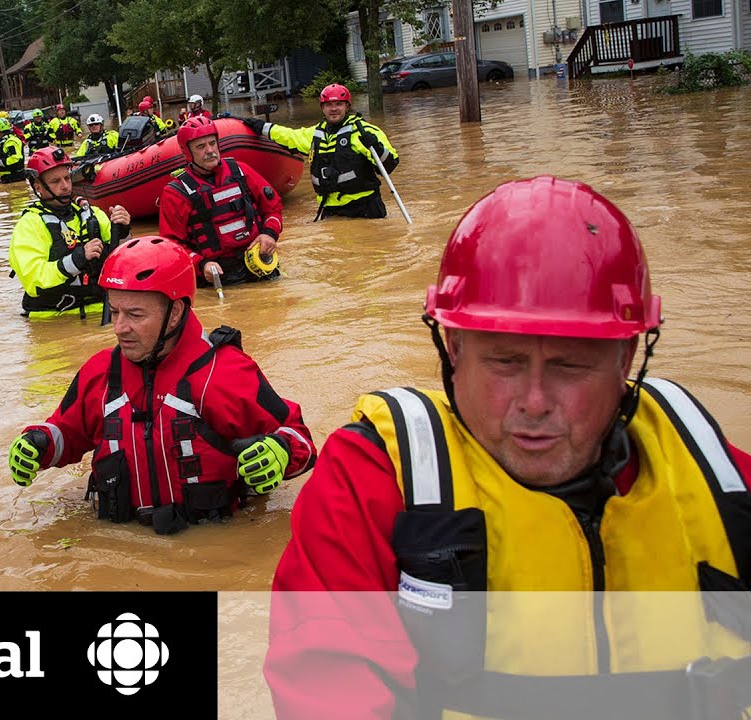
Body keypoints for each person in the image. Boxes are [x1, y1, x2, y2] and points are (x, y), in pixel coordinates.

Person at [266, 176, 751, 718]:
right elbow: (327, 683)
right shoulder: (375, 478)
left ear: (626, 358)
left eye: (570, 365)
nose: (536, 401)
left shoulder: (715, 476)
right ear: (453, 348)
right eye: (505, 362)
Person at [7, 236, 317, 535]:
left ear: (175, 314)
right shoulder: (99, 372)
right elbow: (68, 432)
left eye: (135, 315)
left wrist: (281, 451)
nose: (119, 328)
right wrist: (41, 443)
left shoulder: (224, 372)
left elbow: (298, 436)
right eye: (114, 312)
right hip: (119, 545)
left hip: (210, 544)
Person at [159, 115, 285, 288]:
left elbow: (273, 208)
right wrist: (201, 265)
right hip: (215, 276)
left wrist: (269, 234)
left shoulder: (240, 171)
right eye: (201, 147)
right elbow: (171, 246)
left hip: (259, 263)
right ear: (187, 153)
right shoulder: (176, 193)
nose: (210, 150)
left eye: (212, 143)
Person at [7, 146, 130, 319]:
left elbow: (124, 261)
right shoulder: (30, 225)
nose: (65, 186)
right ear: (38, 188)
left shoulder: (92, 214)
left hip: (102, 312)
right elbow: (34, 281)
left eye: (67, 178)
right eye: (55, 181)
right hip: (54, 319)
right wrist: (77, 259)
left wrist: (123, 231)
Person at [244, 84, 398, 219]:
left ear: (347, 106)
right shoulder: (315, 134)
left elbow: (390, 164)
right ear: (322, 108)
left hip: (365, 208)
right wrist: (261, 127)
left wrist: (377, 148)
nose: (334, 109)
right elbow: (289, 136)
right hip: (331, 209)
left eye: (339, 104)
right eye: (329, 105)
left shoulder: (364, 132)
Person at [0, 116, 26, 184]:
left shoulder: (11, 141)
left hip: (15, 179)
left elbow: (15, 160)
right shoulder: (0, 142)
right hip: (5, 179)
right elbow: (0, 155)